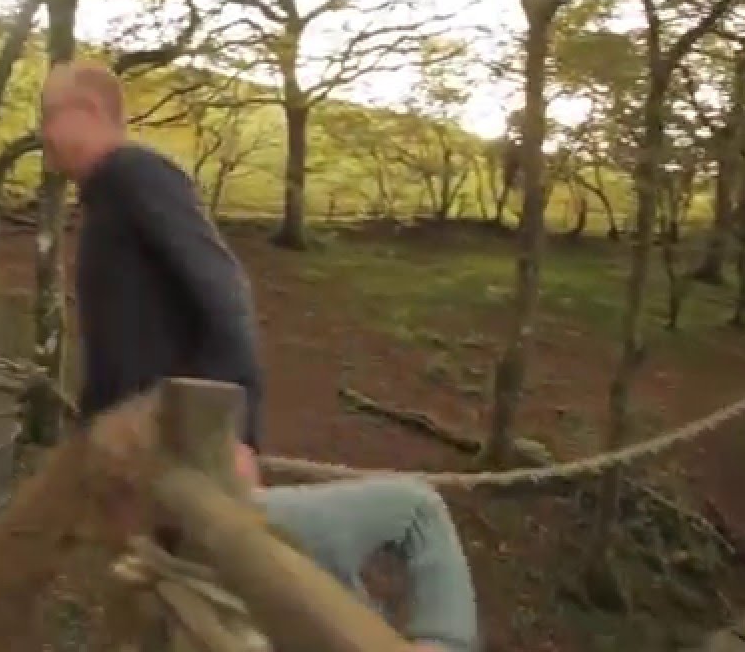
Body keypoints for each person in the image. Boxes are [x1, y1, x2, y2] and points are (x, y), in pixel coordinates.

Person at [39, 60, 479, 652]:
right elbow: (118, 361)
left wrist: (240, 435)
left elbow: (223, 292)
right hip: (167, 483)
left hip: (194, 466)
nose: (41, 133)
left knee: (404, 520)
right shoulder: (105, 203)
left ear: (89, 112)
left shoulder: (133, 174)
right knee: (383, 538)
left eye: (49, 116)